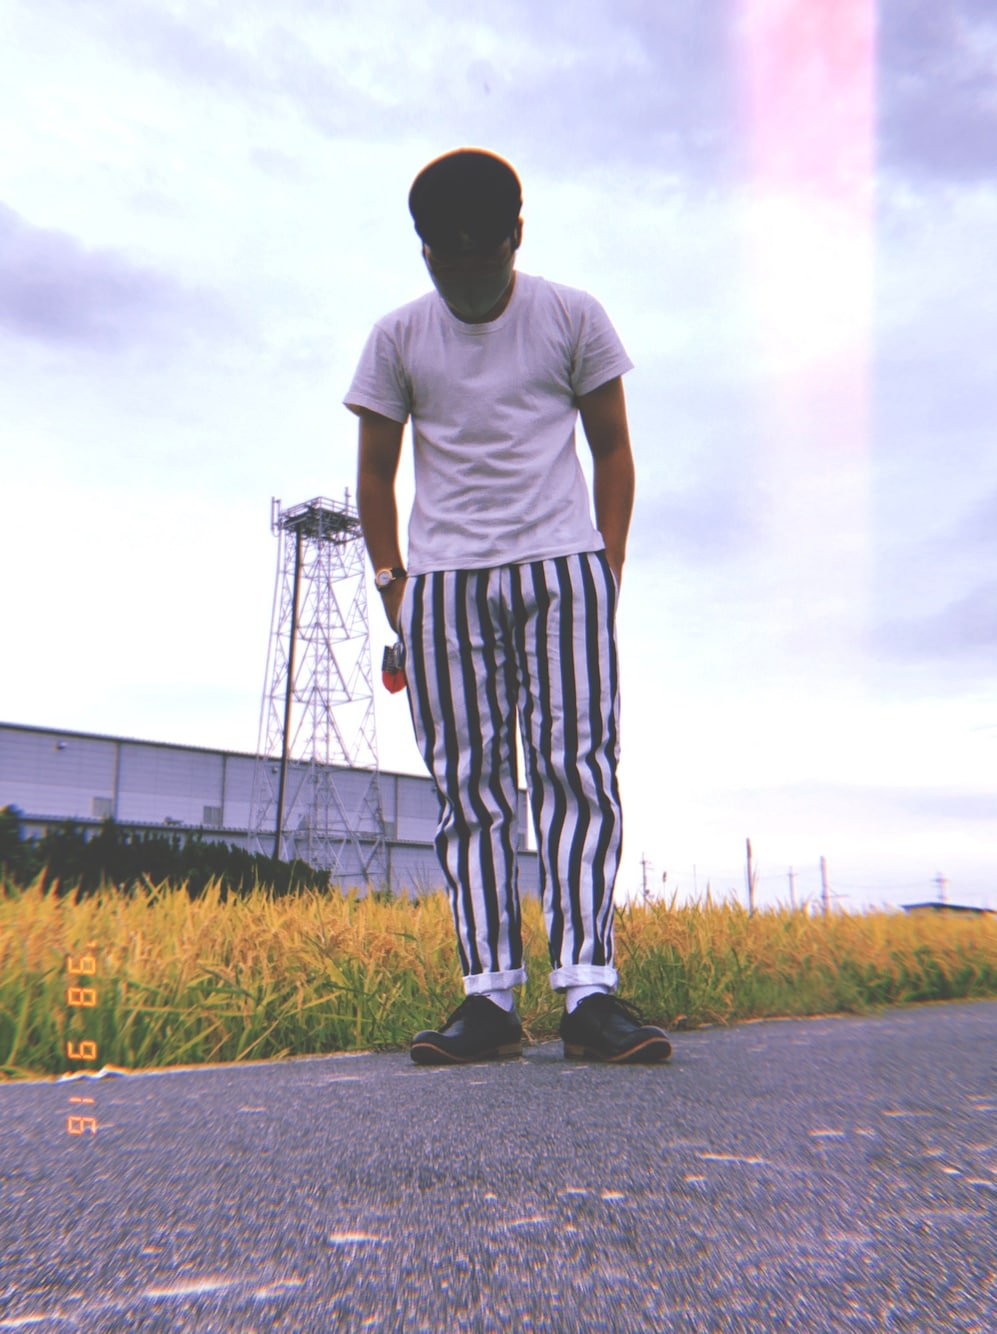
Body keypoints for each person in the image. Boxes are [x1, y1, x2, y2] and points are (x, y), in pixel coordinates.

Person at [345, 148, 671, 1066]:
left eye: (482, 258)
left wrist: (606, 565)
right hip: (443, 583)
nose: (466, 279)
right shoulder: (397, 338)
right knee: (470, 786)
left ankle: (588, 992)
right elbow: (374, 472)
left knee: (577, 771)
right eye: (447, 262)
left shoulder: (572, 316)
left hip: (563, 569)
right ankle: (488, 998)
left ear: (515, 237)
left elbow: (613, 447)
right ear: (424, 253)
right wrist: (393, 584)